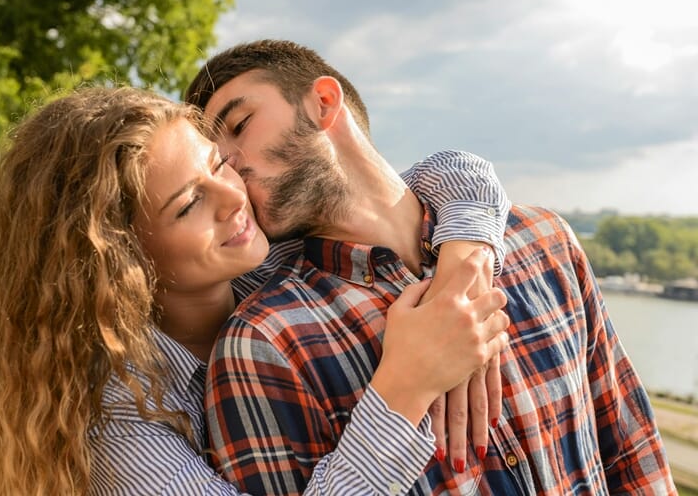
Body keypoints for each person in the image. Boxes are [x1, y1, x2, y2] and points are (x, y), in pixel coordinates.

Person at [0, 86, 511, 495]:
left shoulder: (267, 260)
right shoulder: (117, 419)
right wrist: (405, 387)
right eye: (190, 204)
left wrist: (462, 273)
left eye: (219, 165)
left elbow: (450, 174)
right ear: (119, 259)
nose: (235, 197)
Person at [185, 39, 677, 495]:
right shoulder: (262, 344)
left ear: (324, 103)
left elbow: (632, 454)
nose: (229, 164)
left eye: (240, 125)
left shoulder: (545, 240)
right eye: (215, 160)